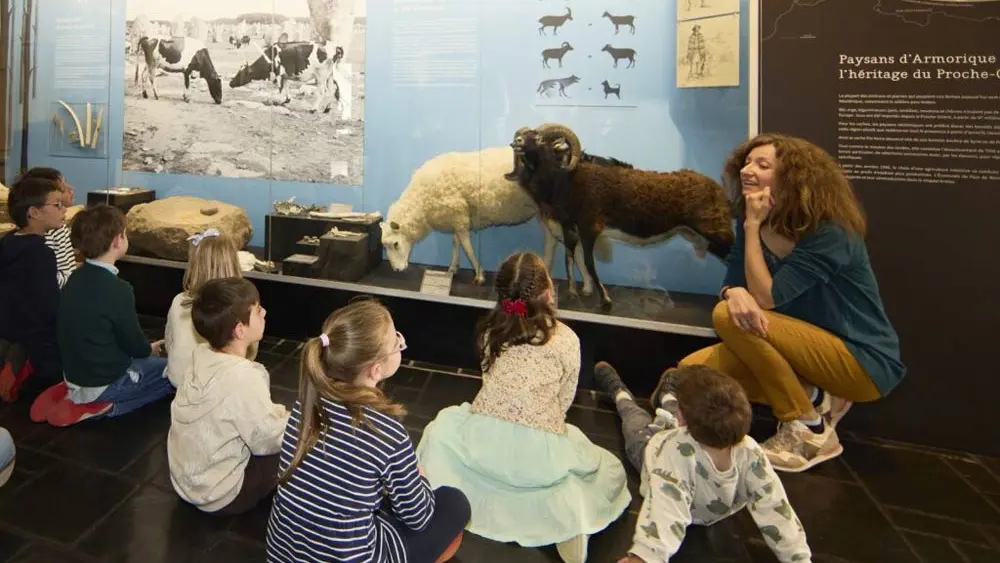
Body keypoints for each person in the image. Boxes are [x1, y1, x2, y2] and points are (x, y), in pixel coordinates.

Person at [684, 133, 905, 472]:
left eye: (763, 164)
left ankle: (810, 429)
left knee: (727, 318)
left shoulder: (831, 232)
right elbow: (735, 274)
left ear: (795, 177)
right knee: (691, 373)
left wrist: (753, 228)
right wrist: (732, 291)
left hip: (859, 359)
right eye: (746, 162)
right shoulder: (753, 219)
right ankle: (813, 395)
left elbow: (766, 298)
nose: (747, 170)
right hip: (792, 347)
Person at [415, 252, 631, 563]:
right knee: (592, 473)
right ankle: (568, 523)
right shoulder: (567, 338)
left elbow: (488, 380)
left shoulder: (491, 331)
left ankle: (449, 499)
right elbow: (565, 398)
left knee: (439, 432)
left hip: (484, 436)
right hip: (540, 443)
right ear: (548, 293)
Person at [266, 298, 470, 563]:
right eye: (397, 342)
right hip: (350, 556)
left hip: (285, 551)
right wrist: (420, 478)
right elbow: (418, 517)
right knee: (455, 502)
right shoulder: (387, 432)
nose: (400, 343)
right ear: (376, 369)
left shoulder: (304, 406)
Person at [594, 361, 813, 563]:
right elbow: (778, 510)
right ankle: (623, 392)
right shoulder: (749, 450)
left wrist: (641, 559)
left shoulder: (744, 454)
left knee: (635, 420)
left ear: (683, 419)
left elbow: (665, 510)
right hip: (655, 446)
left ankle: (648, 396)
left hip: (665, 442)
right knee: (637, 418)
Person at [34, 204, 174, 426]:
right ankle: (104, 407)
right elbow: (134, 344)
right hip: (105, 381)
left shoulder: (74, 278)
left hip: (76, 373)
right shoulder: (119, 289)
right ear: (118, 241)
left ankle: (73, 393)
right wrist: (149, 349)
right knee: (172, 376)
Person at [168, 277, 289, 515]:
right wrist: (295, 423)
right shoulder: (243, 377)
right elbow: (266, 440)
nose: (264, 313)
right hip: (221, 496)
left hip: (185, 482)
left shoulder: (200, 355)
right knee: (300, 447)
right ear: (240, 329)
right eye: (257, 310)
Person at [0, 175, 66, 403]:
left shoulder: (8, 241)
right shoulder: (40, 254)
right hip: (37, 344)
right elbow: (49, 308)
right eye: (57, 204)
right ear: (34, 212)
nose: (63, 209)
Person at [164, 228, 256, 388]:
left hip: (179, 381)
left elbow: (169, 343)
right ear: (234, 262)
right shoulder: (243, 307)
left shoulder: (179, 301)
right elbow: (250, 352)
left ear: (194, 264)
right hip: (220, 386)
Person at [15, 167, 78, 288]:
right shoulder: (45, 236)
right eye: (62, 188)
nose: (70, 189)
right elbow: (51, 279)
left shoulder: (57, 225)